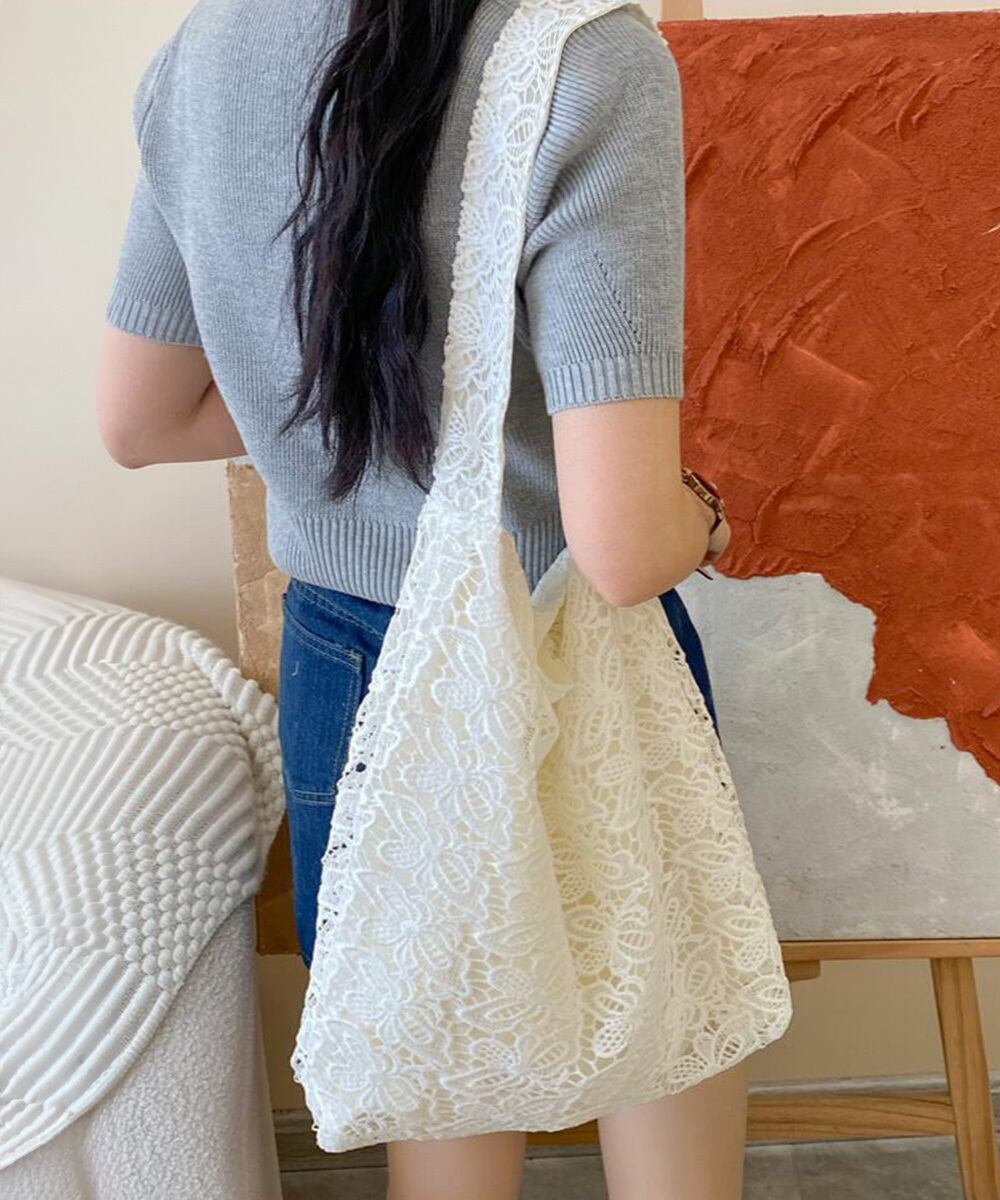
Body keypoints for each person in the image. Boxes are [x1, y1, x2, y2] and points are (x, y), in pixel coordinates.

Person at [95, 0, 745, 1196]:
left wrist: (361, 415)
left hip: (346, 659)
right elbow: (620, 546)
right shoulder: (587, 57)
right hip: (577, 645)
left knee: (443, 1098)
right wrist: (707, 511)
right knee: (667, 1032)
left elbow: (141, 420)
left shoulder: (208, 48)